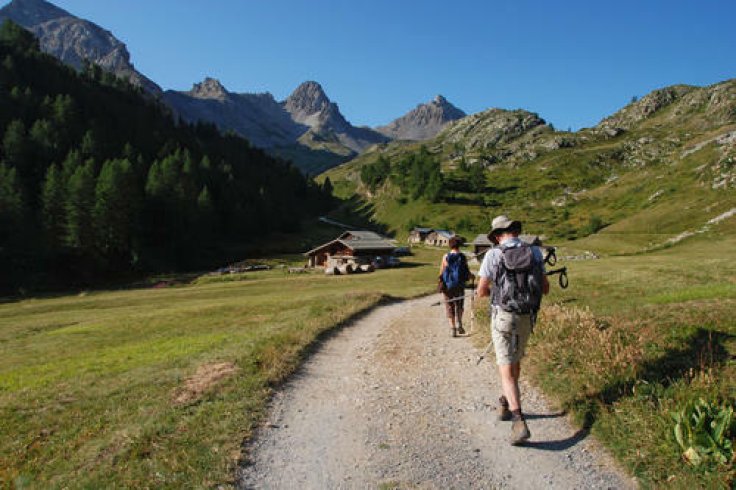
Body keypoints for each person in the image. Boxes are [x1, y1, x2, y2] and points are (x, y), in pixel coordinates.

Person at [476, 215, 549, 445]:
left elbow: (481, 291)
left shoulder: (493, 254)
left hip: (503, 317)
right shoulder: (535, 253)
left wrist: (495, 292)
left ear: (497, 236)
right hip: (527, 316)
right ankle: (505, 403)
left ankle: (519, 422)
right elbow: (545, 288)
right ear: (515, 232)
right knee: (515, 361)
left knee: (506, 370)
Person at [438, 236, 473, 337]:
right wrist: (471, 276)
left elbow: (441, 271)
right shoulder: (462, 256)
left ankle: (453, 328)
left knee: (449, 306)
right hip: (460, 285)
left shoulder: (445, 256)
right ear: (459, 245)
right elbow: (467, 271)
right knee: (459, 305)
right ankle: (459, 323)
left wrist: (440, 282)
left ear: (450, 245)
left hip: (448, 286)